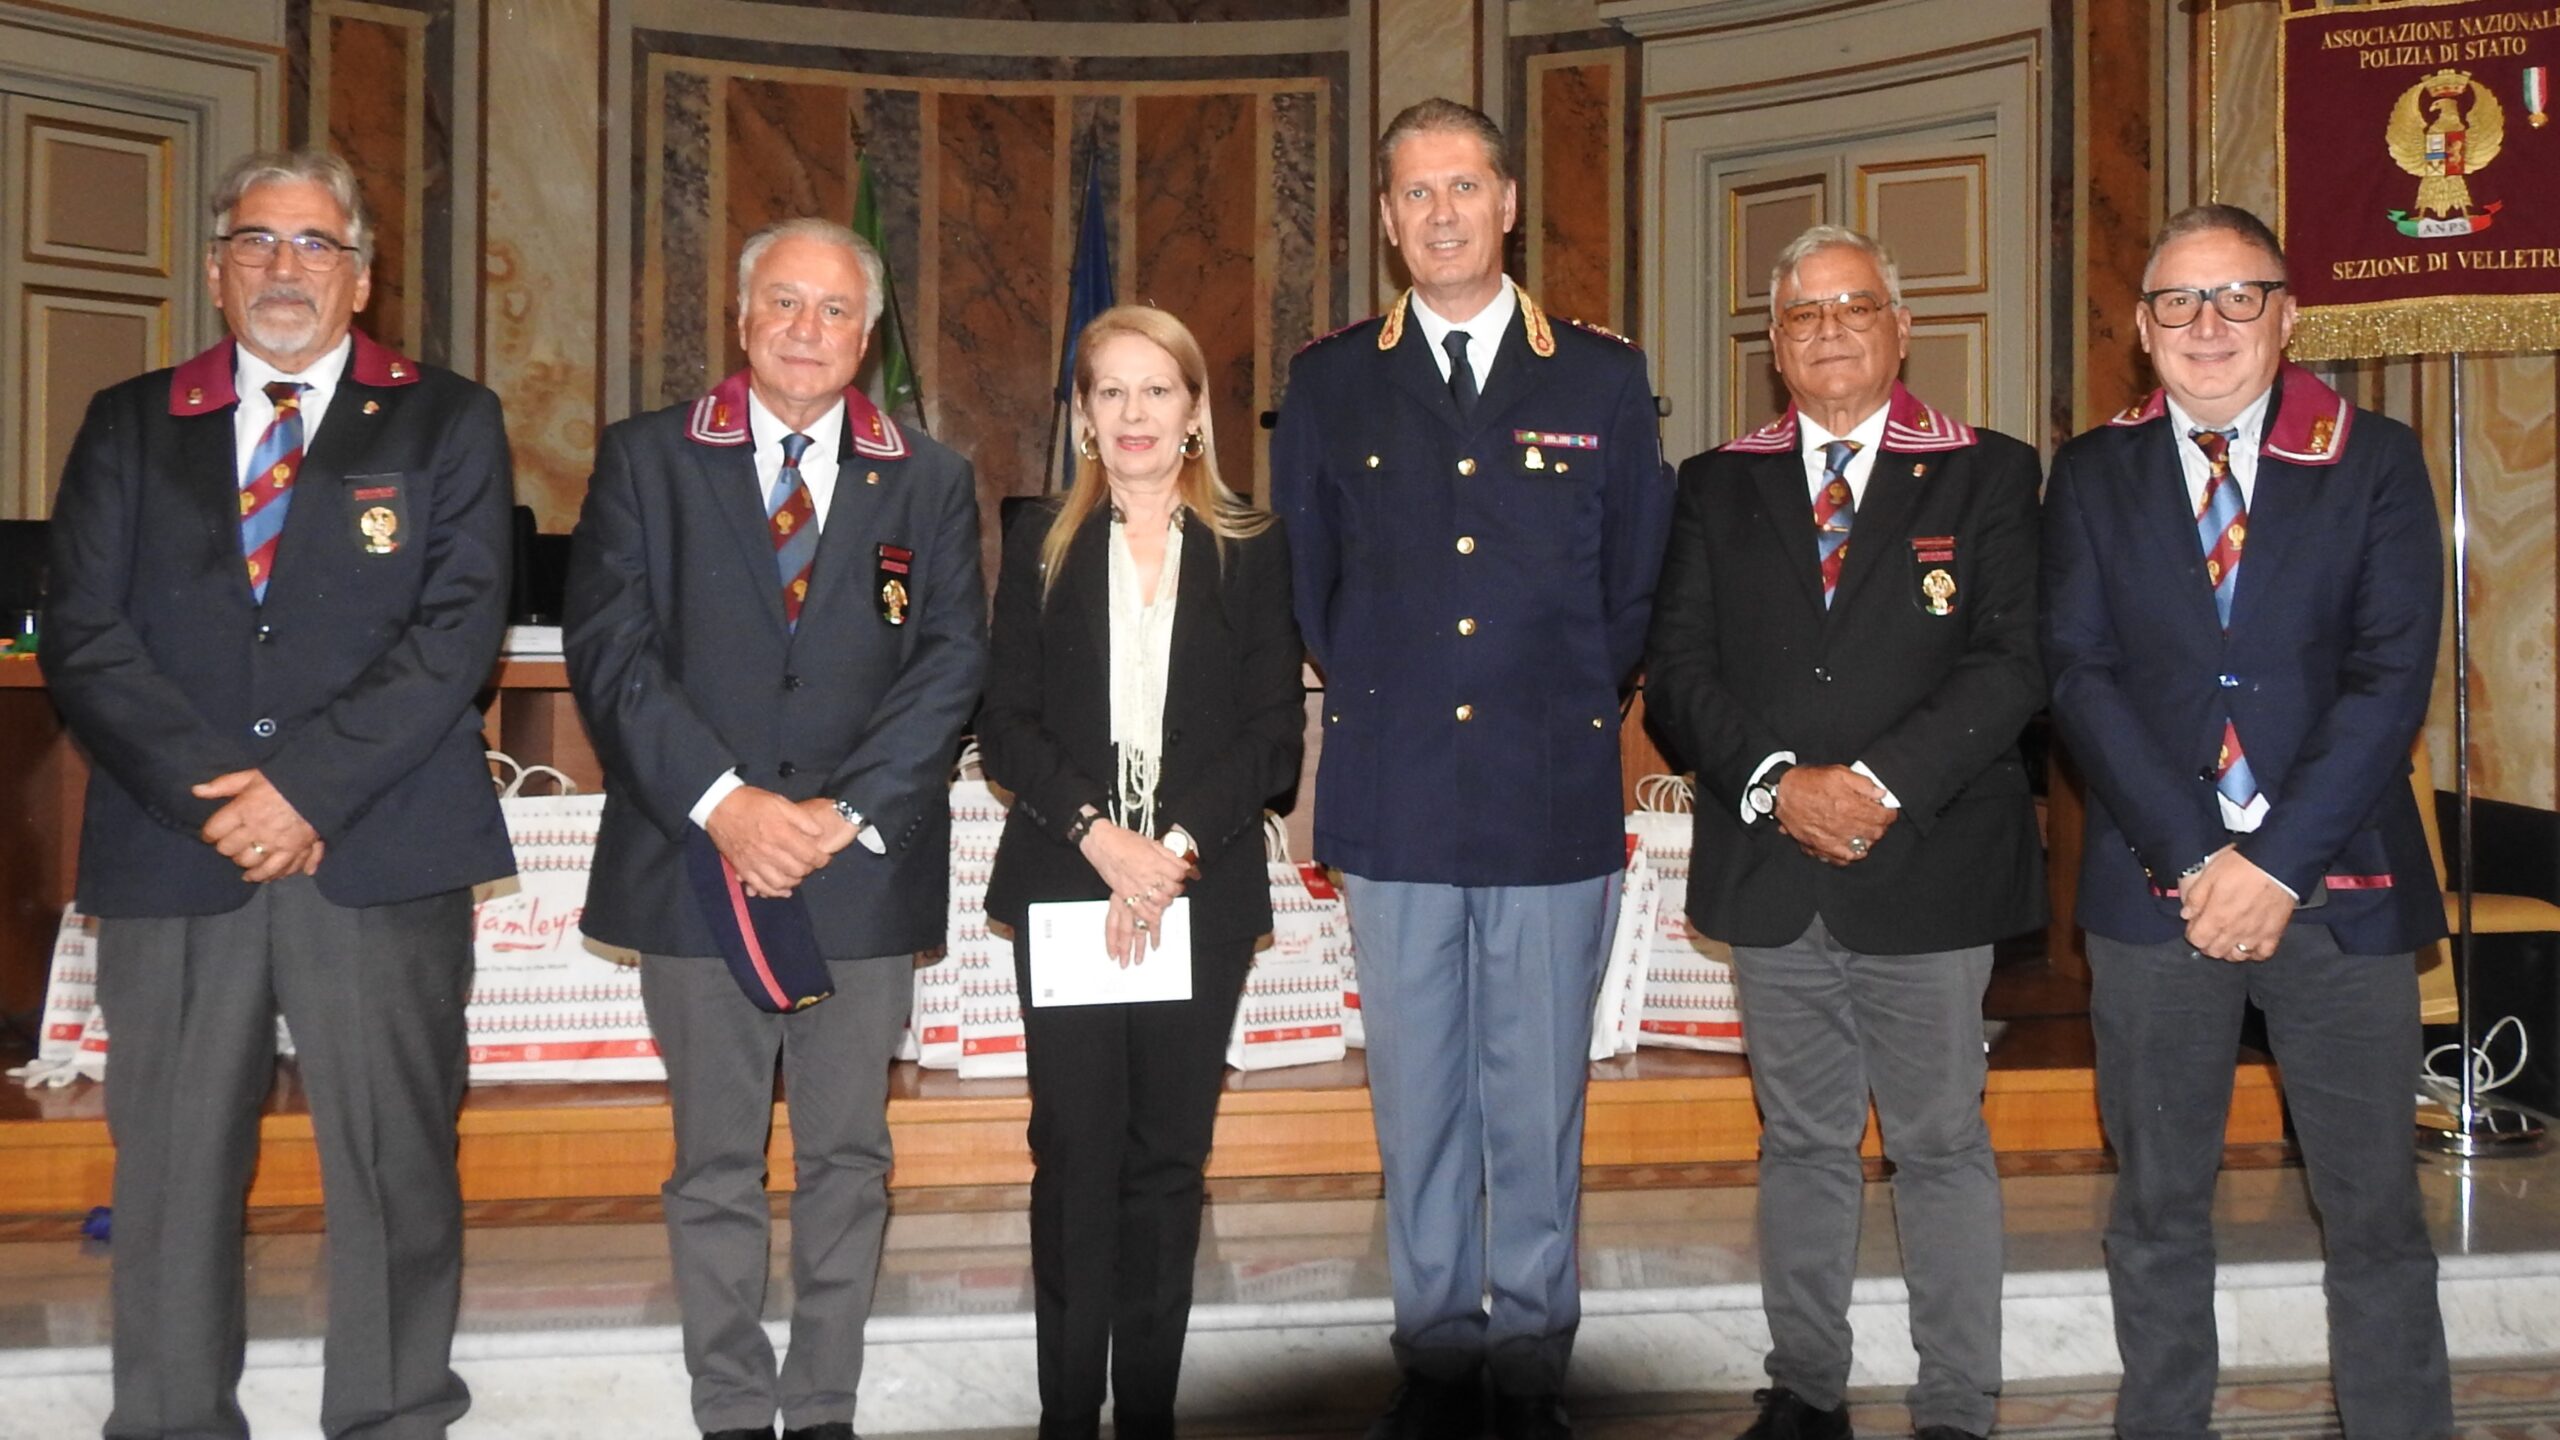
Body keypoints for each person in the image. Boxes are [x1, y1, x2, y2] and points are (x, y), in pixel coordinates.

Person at [41, 148, 515, 1438]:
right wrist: (219, 801)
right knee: (176, 1177)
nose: (285, 267)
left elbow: (458, 630)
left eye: (315, 245)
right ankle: (175, 1421)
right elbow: (82, 633)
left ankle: (394, 1414)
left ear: (361, 275)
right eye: (258, 242)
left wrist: (302, 791)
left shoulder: (447, 418)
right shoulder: (131, 420)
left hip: (374, 847)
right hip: (175, 853)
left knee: (393, 1163)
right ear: (214, 268)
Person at [1270, 97, 1673, 1440]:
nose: (1441, 212)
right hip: (1393, 796)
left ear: (1508, 204)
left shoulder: (1601, 378)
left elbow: (1634, 590)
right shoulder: (1331, 380)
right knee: (1419, 1091)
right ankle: (1438, 1349)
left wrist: (1549, 697)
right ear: (1387, 222)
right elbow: (1311, 588)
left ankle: (1536, 1350)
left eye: (1465, 186)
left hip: (1549, 791)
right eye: (1414, 193)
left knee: (1537, 1093)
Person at [564, 217, 986, 1440]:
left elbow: (951, 660)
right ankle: (734, 1409)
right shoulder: (647, 458)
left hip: (855, 870)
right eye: (785, 306)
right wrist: (728, 805)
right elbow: (611, 649)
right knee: (713, 1164)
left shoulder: (930, 475)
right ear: (743, 320)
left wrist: (837, 814)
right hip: (695, 861)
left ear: (869, 332)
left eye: (836, 310)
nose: (809, 330)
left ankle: (823, 1410)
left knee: (849, 1160)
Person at [2043, 202, 2452, 1439]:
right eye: (2178, 301)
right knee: (2157, 1209)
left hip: (2339, 887)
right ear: (2140, 328)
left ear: (2288, 315)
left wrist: (2271, 865)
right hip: (2150, 885)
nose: (2206, 325)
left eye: (2236, 297)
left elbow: (2392, 677)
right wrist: (2195, 854)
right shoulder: (2093, 470)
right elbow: (2076, 672)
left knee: (2373, 1213)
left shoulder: (2374, 459)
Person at [1643, 225, 2045, 1440]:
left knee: (1937, 1147)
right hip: (1771, 867)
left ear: (1899, 326)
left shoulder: (1989, 470)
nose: (1828, 331)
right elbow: (1676, 672)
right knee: (1803, 1146)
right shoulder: (1715, 483)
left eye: (1853, 307)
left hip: (1924, 862)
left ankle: (1956, 1406)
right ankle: (1805, 1391)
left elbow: (2013, 663)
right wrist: (1777, 783)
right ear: (1775, 346)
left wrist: (1871, 783)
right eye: (1803, 315)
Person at [978, 304, 1305, 1440]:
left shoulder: (1254, 546)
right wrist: (1097, 837)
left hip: (1195, 892)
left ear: (1195, 413)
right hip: (1071, 880)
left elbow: (1271, 737)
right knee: (1073, 1157)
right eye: (1108, 392)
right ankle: (1069, 1415)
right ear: (1080, 416)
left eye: (1155, 390)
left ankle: (1151, 1416)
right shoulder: (1040, 544)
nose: (1132, 414)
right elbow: (1004, 721)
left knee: (1166, 1160)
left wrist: (1167, 853)